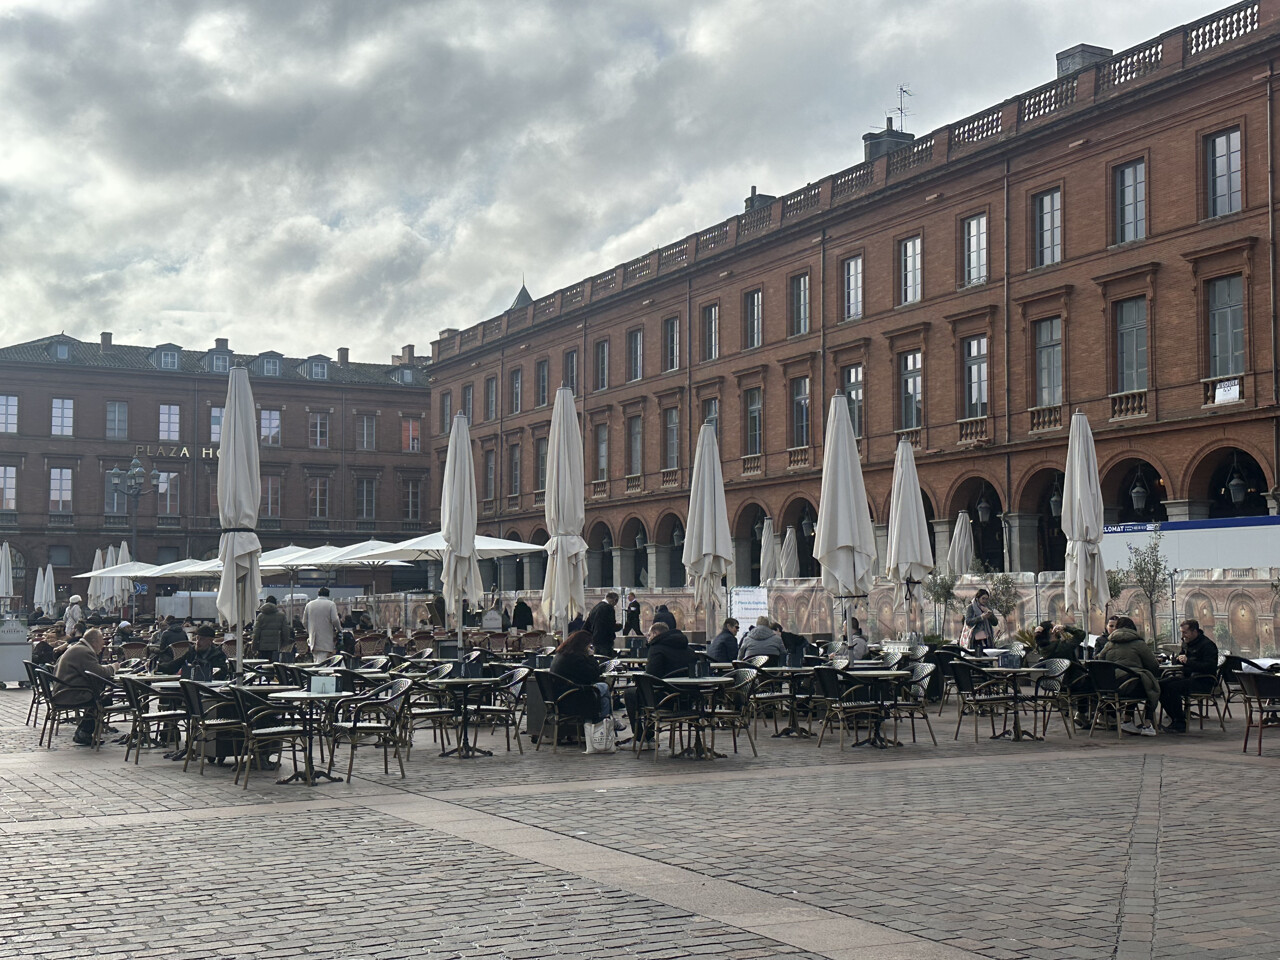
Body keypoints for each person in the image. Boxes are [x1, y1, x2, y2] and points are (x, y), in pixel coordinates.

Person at [52, 627, 115, 746]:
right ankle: (84, 732)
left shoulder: (77, 648)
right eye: (102, 643)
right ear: (94, 642)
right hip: (69, 694)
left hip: (63, 691)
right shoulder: (85, 652)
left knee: (99, 695)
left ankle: (83, 731)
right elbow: (99, 673)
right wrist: (113, 668)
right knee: (103, 699)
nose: (102, 646)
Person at [1099, 615, 1160, 736]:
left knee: (1136, 680)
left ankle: (1127, 721)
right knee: (1151, 687)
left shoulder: (1109, 644)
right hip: (1130, 686)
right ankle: (1147, 724)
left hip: (1110, 688)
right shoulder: (1138, 643)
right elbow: (1153, 665)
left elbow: (1100, 661)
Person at [1159, 619, 1220, 735]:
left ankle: (1180, 722)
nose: (1183, 636)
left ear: (1194, 631)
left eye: (1185, 632)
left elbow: (1210, 667)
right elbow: (1183, 659)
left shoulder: (1207, 645)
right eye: (1181, 632)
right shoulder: (1186, 643)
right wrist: (1177, 660)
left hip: (1203, 680)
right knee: (1160, 685)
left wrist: (1188, 662)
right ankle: (1176, 718)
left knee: (1172, 688)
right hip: (1187, 678)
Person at [550, 630, 611, 722]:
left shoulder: (561, 655)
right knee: (604, 687)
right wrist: (591, 657)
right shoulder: (576, 659)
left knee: (605, 699)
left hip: (559, 696)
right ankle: (605, 723)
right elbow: (593, 675)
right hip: (573, 697)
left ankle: (606, 721)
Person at [157, 625, 229, 680]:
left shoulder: (217, 655)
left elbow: (221, 673)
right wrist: (157, 667)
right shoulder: (192, 652)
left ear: (210, 641)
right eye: (197, 638)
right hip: (191, 688)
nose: (198, 642)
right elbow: (175, 665)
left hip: (209, 690)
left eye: (202, 639)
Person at [302, 587, 341, 660]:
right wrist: (338, 629)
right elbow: (335, 620)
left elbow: (304, 621)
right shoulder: (331, 604)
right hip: (326, 637)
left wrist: (309, 630)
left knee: (316, 658)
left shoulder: (309, 604)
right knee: (322, 659)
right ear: (328, 595)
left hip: (313, 637)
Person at [252, 595, 290, 662]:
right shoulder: (281, 616)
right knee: (274, 667)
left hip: (262, 648)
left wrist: (254, 647)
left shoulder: (260, 616)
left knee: (263, 667)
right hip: (276, 647)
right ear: (275, 604)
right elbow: (285, 632)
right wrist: (285, 644)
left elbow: (256, 633)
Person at [585, 591, 620, 657]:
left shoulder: (595, 608)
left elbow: (588, 624)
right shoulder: (609, 608)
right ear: (614, 600)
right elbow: (610, 626)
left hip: (595, 640)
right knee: (606, 662)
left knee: (598, 660)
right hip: (605, 640)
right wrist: (619, 627)